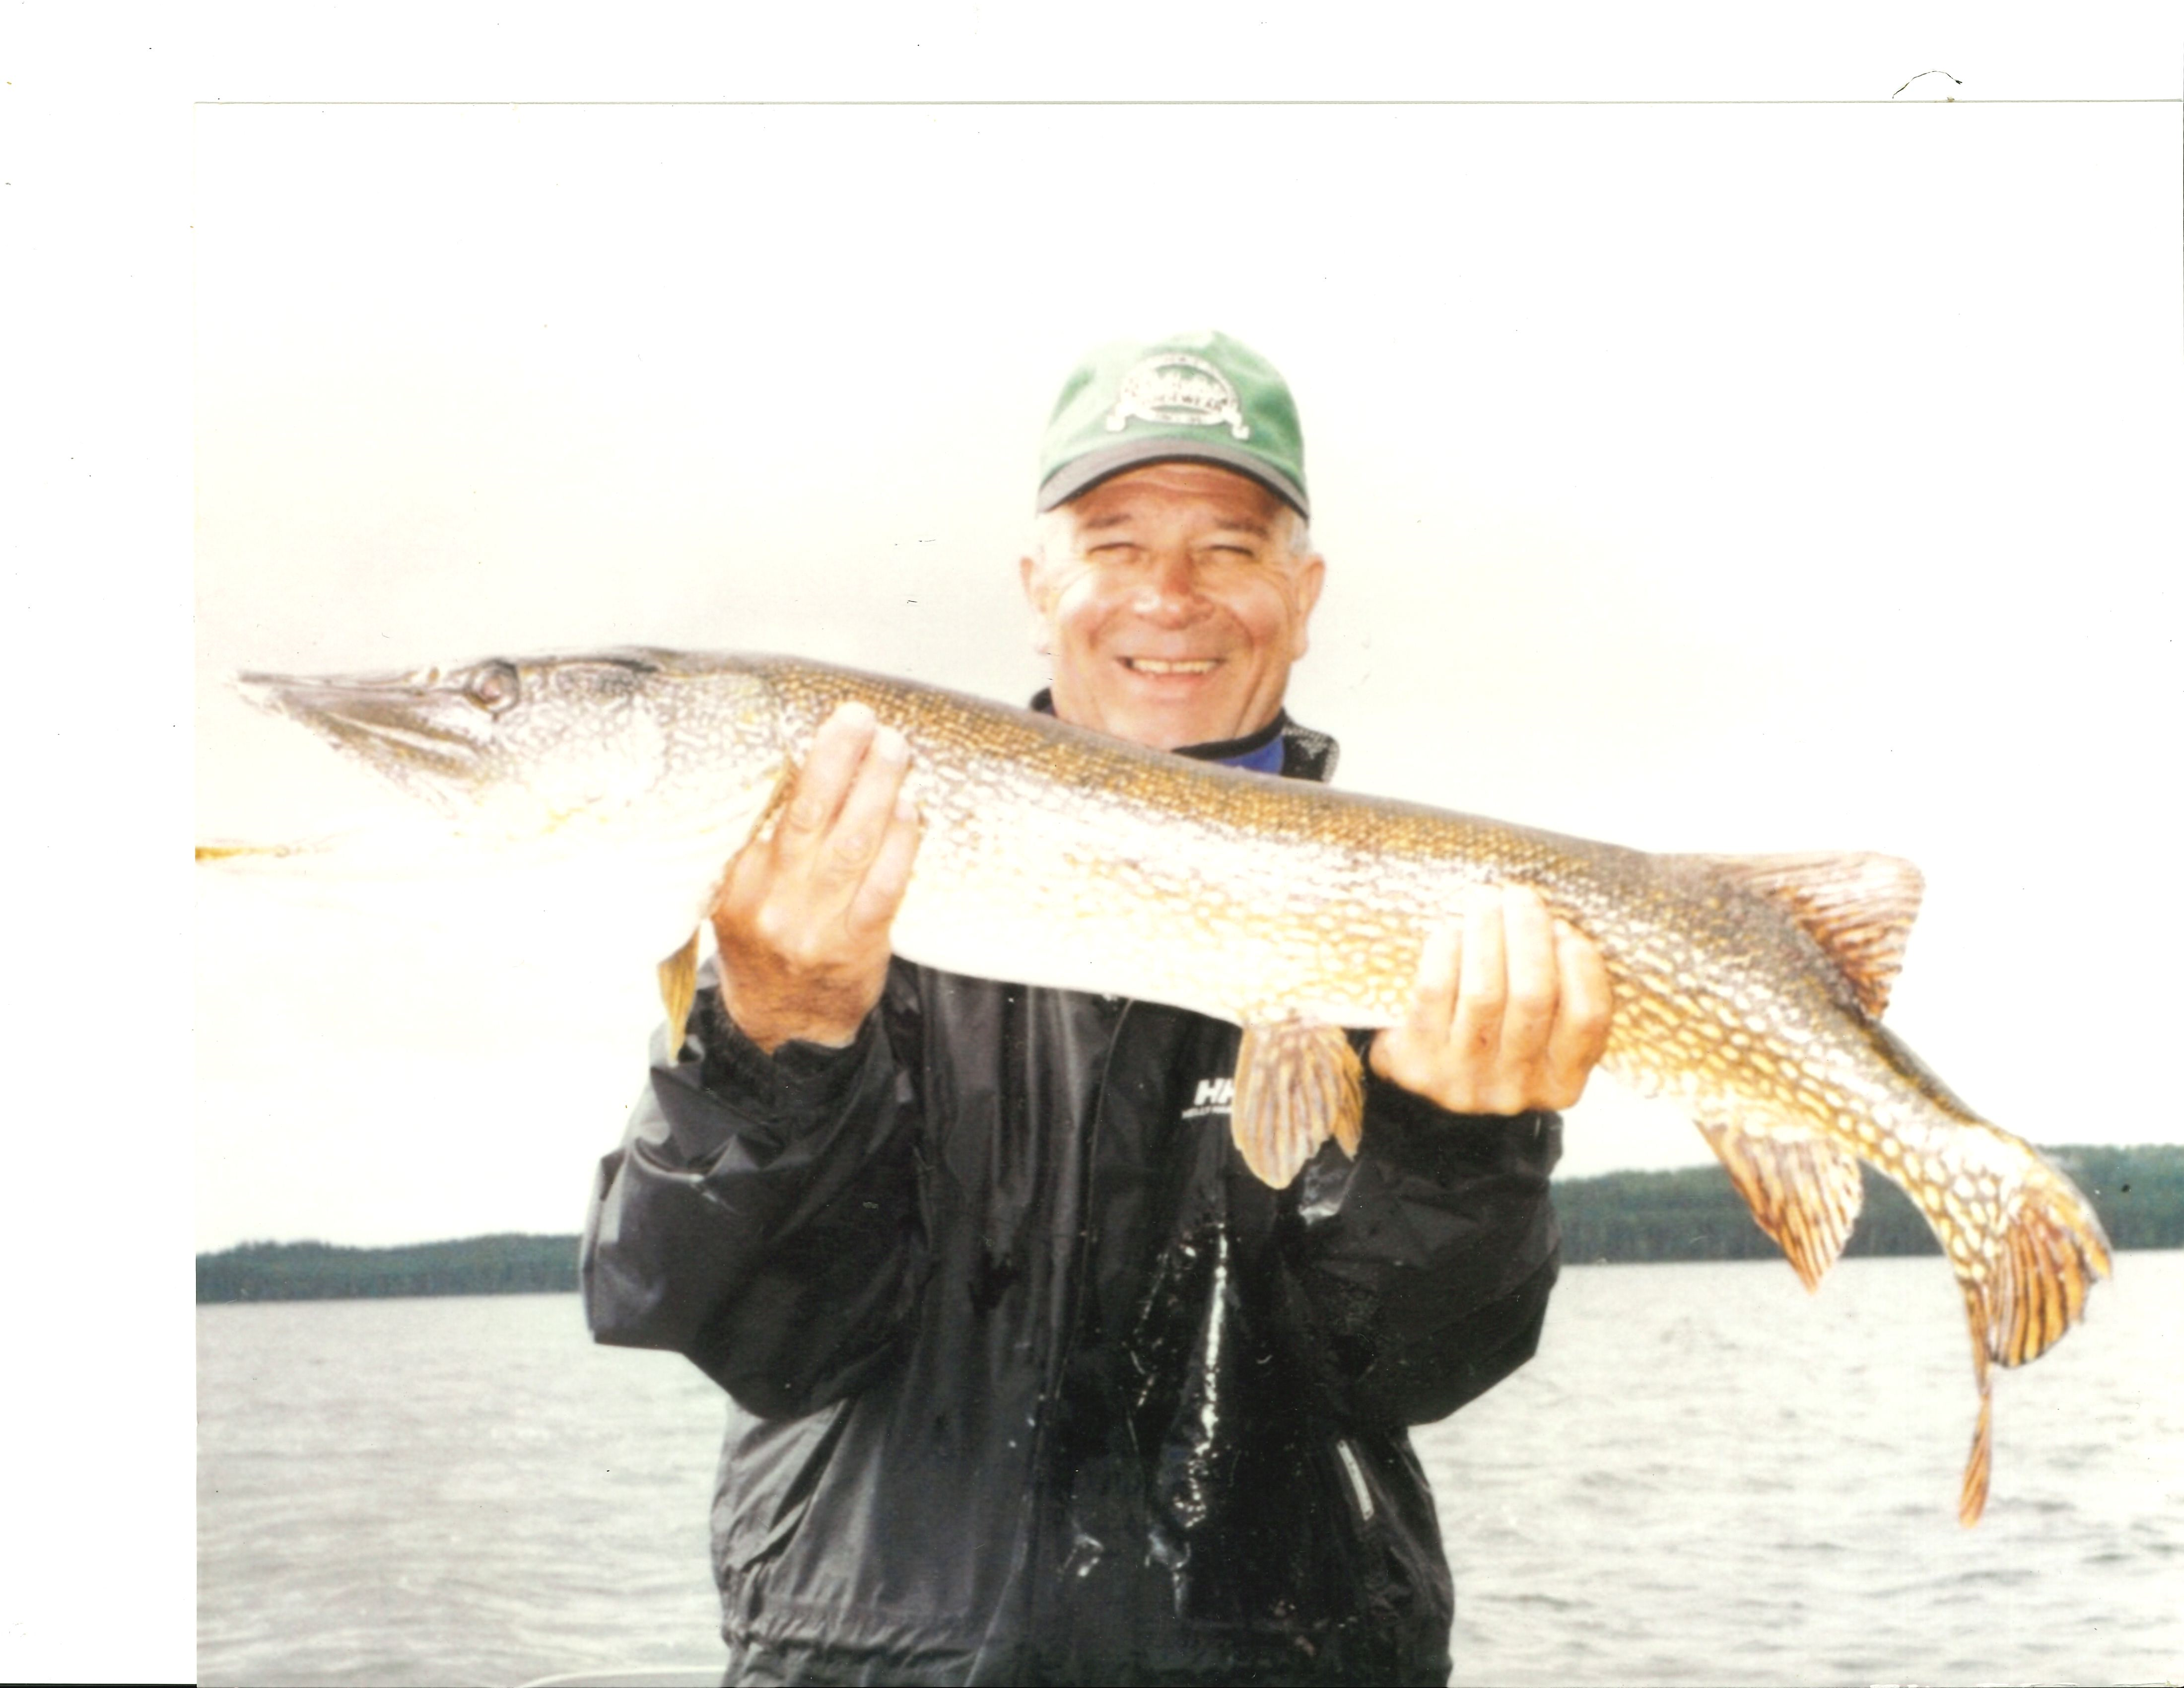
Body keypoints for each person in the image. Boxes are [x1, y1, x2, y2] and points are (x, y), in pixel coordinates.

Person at [582, 331, 1613, 1687]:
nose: (1169, 599)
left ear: (1304, 596)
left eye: (1228, 549)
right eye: (1116, 546)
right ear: (1038, 587)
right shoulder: (835, 907)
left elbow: (1415, 1369)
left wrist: (1454, 1146)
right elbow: (744, 1330)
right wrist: (773, 1044)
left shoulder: (1424, 942)